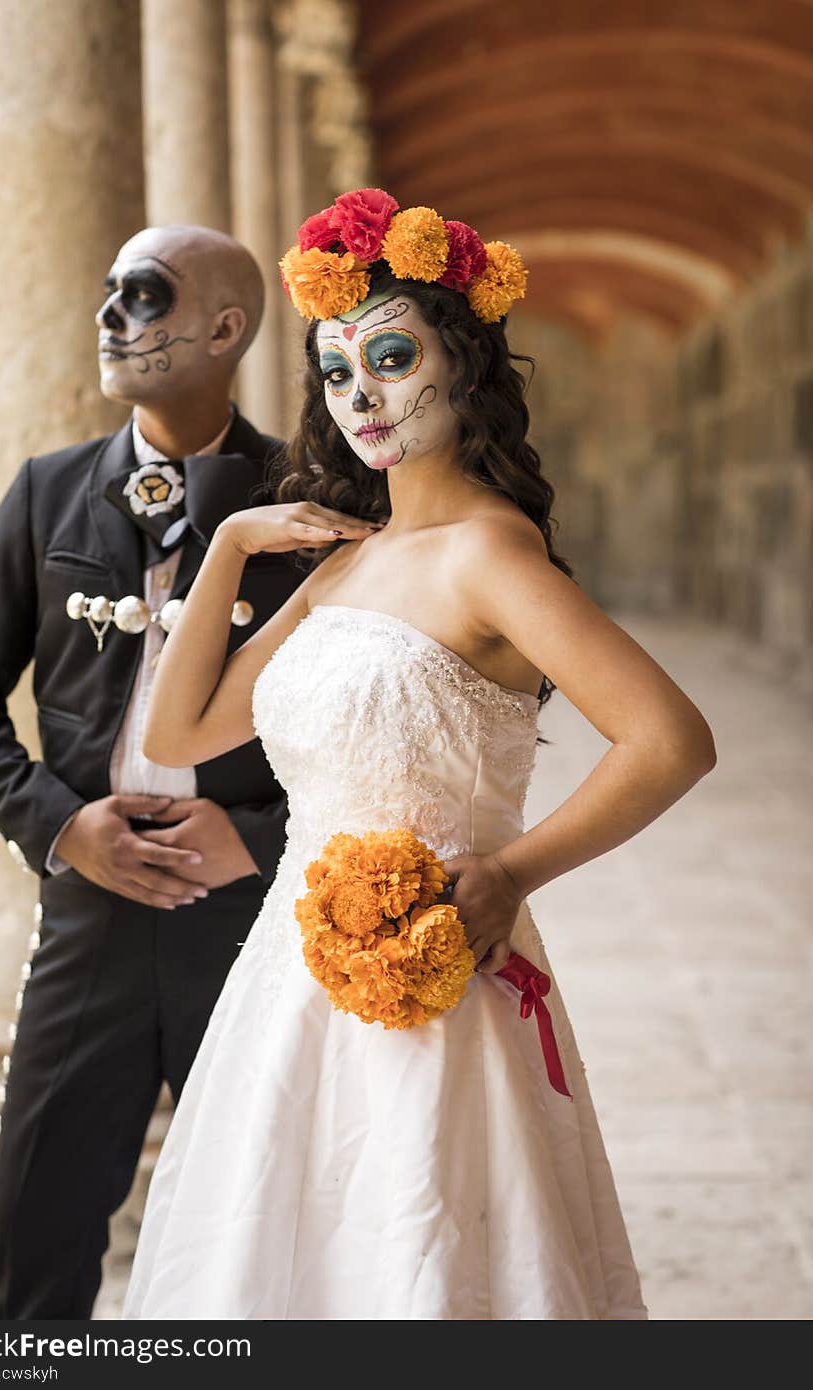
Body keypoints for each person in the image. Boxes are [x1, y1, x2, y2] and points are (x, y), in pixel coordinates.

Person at [123, 192, 716, 1320]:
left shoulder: (489, 555)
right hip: (293, 980)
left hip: (438, 969)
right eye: (339, 375)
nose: (363, 397)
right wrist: (234, 545)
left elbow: (670, 739)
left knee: (424, 1254)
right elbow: (179, 735)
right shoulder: (346, 560)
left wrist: (510, 871)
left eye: (392, 359)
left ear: (466, 366)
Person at [0, 224, 318, 1318]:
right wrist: (63, 829)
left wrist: (256, 837)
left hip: (256, 919)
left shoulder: (310, 499)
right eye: (109, 291)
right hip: (89, 910)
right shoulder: (46, 490)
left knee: (260, 1230)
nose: (114, 317)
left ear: (225, 327)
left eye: (145, 295)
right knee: (35, 1229)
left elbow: (367, 709)